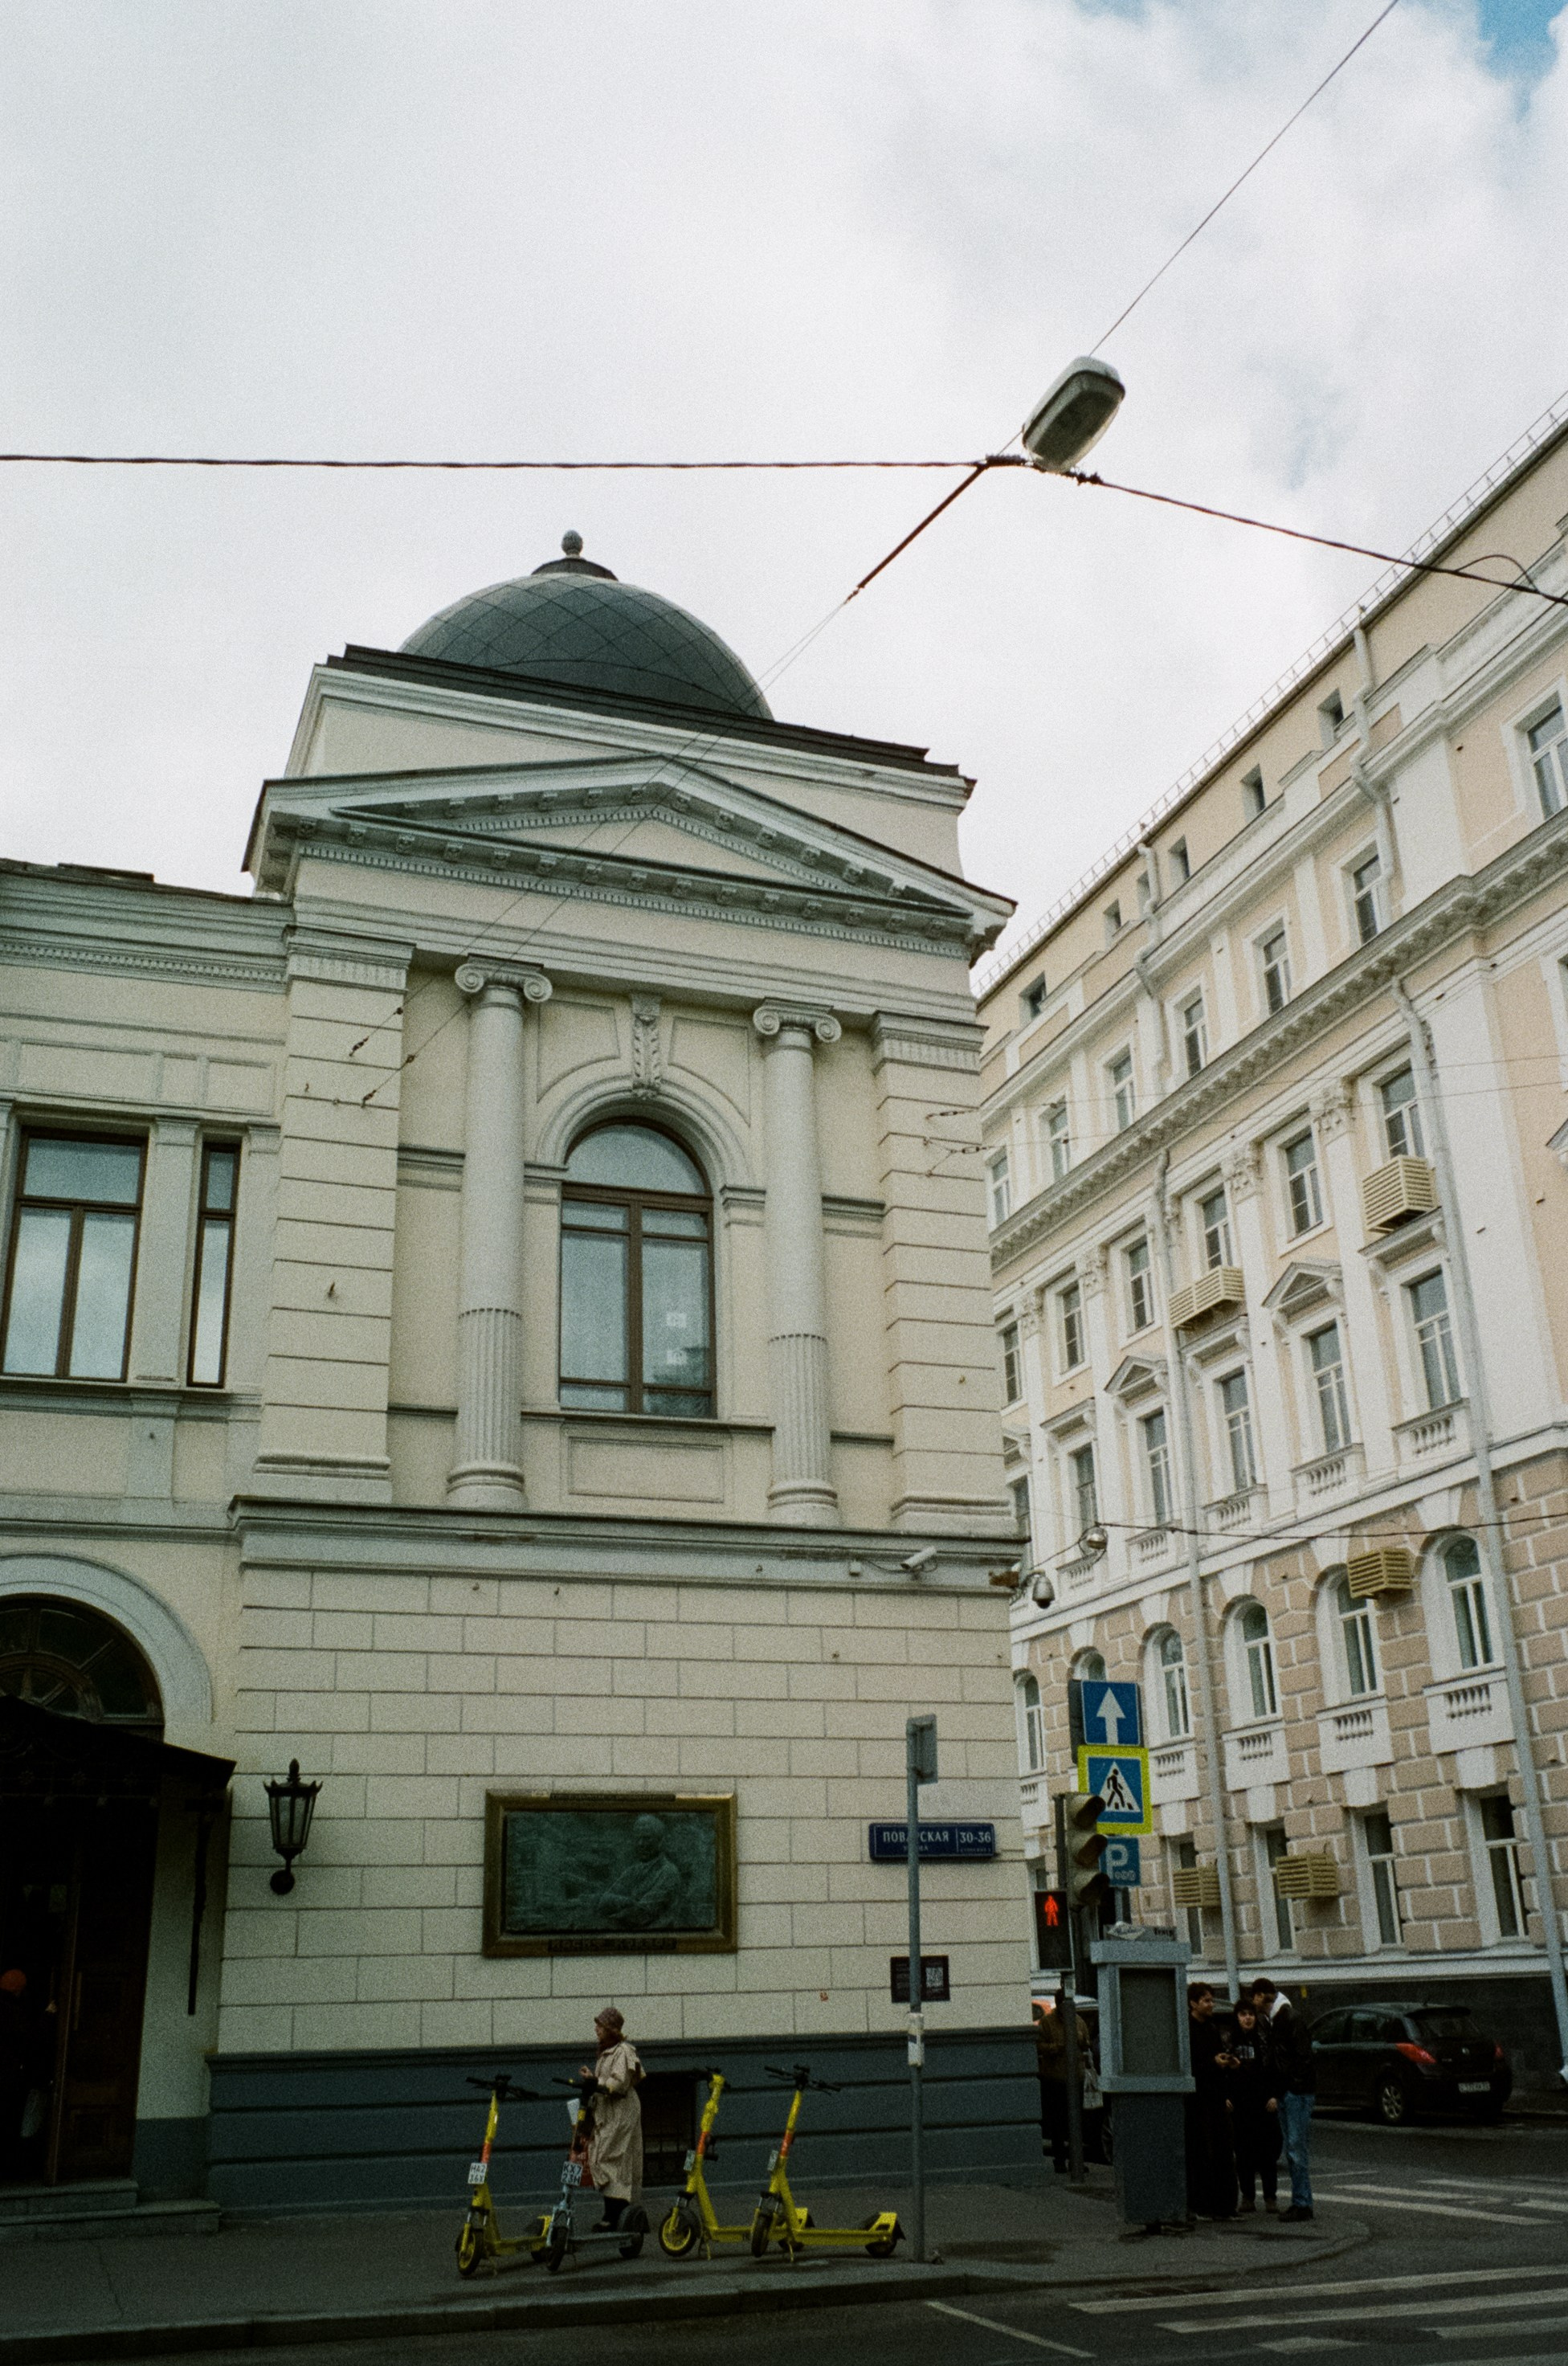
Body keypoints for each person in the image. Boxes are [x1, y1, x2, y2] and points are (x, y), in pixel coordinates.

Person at [1252, 1978, 1314, 2221]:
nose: (1253, 2001)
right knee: (1294, 2149)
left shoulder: (1288, 2018)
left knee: (1296, 2150)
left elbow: (1302, 2057)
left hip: (1295, 2092)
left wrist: (1290, 2088)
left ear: (1263, 1996)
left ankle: (1302, 2204)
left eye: (1255, 1995)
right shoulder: (1275, 2019)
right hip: (1290, 2091)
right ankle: (1302, 2202)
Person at [579, 2006, 643, 2232]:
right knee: (605, 2159)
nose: (596, 2029)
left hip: (620, 2114)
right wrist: (593, 2079)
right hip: (608, 2113)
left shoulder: (623, 2051)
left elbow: (618, 2084)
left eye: (600, 2025)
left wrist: (596, 2083)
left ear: (611, 2029)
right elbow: (606, 2082)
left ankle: (615, 2216)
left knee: (612, 2160)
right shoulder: (607, 2052)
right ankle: (616, 2214)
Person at [1184, 1984, 1237, 2219]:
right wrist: (1213, 2064)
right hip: (1198, 2101)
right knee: (1203, 2154)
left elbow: (1214, 2058)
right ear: (1193, 2003)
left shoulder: (1211, 2028)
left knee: (1223, 2152)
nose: (1211, 2004)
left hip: (1215, 2098)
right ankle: (1203, 2205)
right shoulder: (1187, 2030)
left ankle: (1224, 2206)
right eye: (1206, 2000)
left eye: (1211, 2000)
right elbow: (1190, 2068)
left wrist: (1226, 2064)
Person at [1225, 1997, 1281, 2214]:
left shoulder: (1264, 2039)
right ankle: (1248, 2196)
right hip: (1240, 2105)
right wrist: (1226, 2096)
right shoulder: (1230, 2040)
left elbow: (1275, 2069)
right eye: (1243, 2014)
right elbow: (1224, 2072)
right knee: (1243, 2153)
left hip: (1263, 2103)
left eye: (1250, 2014)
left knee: (1267, 2153)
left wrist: (1275, 2095)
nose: (1247, 2018)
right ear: (1237, 2018)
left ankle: (1270, 2197)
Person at [1033, 1996, 1090, 2173]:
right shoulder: (1048, 2022)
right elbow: (1039, 2046)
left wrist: (1082, 2042)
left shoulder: (1078, 2021)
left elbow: (1086, 2043)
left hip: (1076, 2076)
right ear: (1058, 2004)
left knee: (1076, 2121)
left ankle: (1076, 2160)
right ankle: (1059, 2160)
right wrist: (1055, 2048)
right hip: (1055, 2077)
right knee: (1058, 2121)